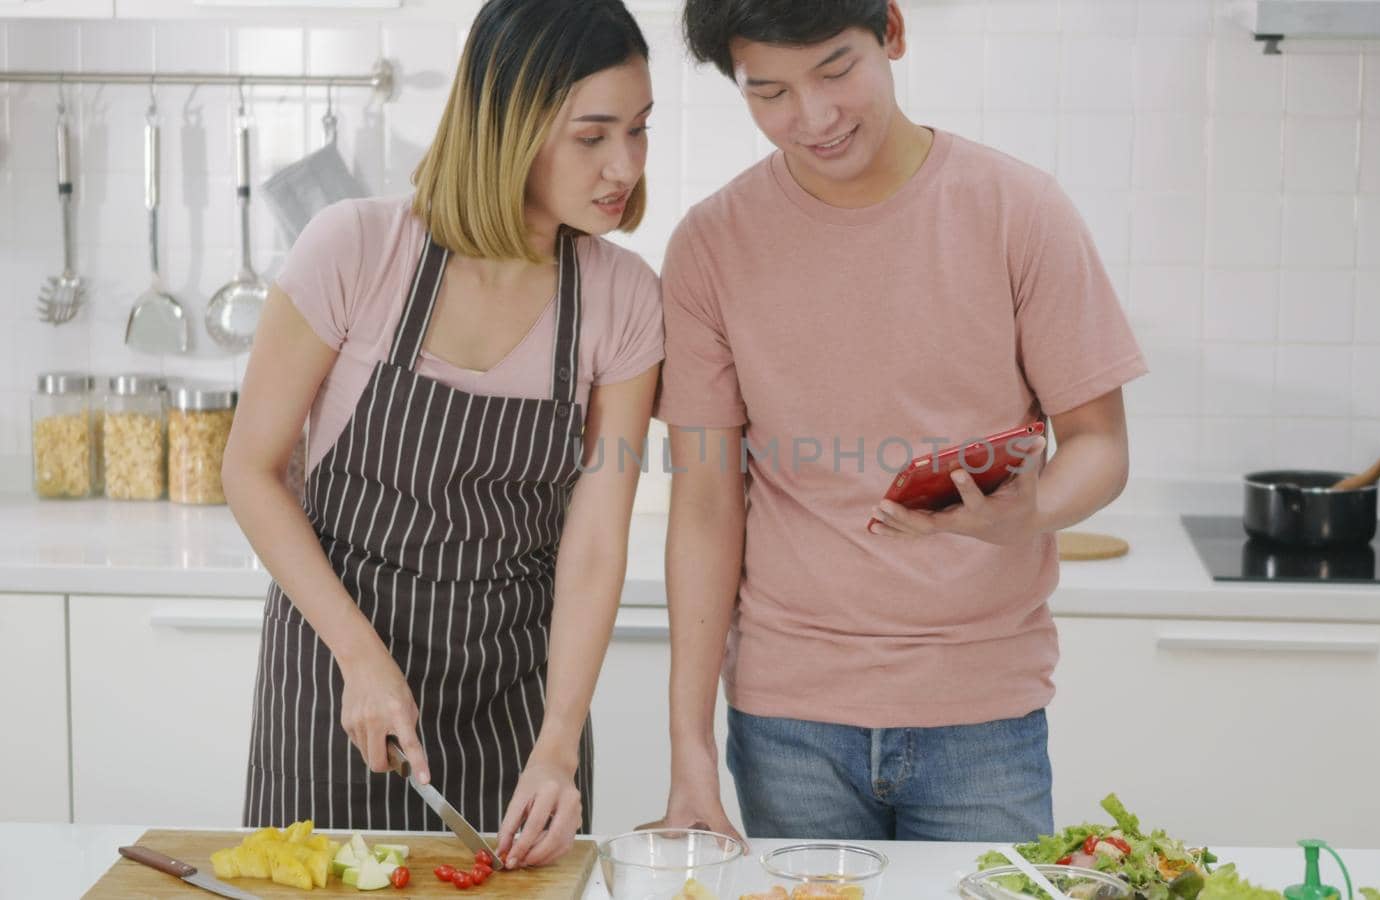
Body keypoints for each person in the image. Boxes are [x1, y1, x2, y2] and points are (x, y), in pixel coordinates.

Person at [652, 0, 1146, 842]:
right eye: (768, 91)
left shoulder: (1018, 210)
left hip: (982, 714)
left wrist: (1030, 512)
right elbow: (705, 506)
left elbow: (1099, 445)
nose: (811, 118)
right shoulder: (710, 244)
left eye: (835, 71)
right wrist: (689, 749)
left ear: (892, 31)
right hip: (788, 720)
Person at [222, 0, 660, 868]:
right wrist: (361, 658)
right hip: (337, 687)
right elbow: (252, 470)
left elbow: (597, 539)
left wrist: (560, 741)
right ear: (507, 124)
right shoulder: (356, 248)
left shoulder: (624, 298)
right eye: (593, 136)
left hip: (519, 702)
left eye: (641, 130)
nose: (625, 165)